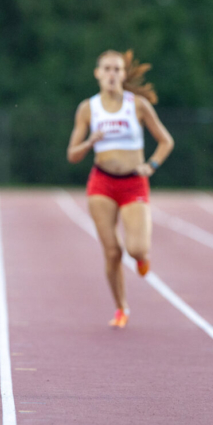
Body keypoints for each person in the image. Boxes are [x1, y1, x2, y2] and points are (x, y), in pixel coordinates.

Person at [66, 50, 174, 329]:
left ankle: (141, 258)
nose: (112, 74)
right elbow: (72, 154)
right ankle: (121, 307)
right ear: (98, 74)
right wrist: (90, 142)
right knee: (112, 252)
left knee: (136, 249)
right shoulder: (88, 108)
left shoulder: (136, 105)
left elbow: (166, 141)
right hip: (102, 183)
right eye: (107, 69)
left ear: (123, 75)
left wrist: (151, 165)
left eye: (117, 69)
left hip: (133, 182)